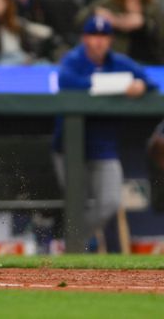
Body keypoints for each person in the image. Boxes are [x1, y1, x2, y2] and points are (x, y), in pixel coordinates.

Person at [55, 15, 156, 249]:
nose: (98, 42)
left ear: (110, 40)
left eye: (103, 37)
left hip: (103, 147)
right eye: (93, 36)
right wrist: (114, 86)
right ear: (84, 38)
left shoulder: (118, 62)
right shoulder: (73, 60)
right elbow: (66, 81)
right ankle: (74, 245)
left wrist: (140, 85)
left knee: (110, 202)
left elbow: (148, 82)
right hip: (70, 147)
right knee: (77, 203)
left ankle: (71, 243)